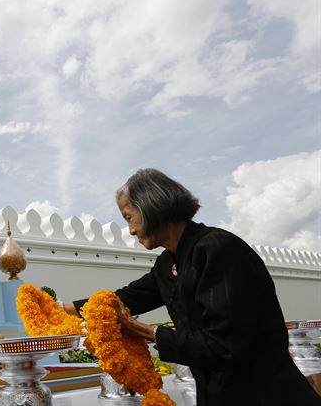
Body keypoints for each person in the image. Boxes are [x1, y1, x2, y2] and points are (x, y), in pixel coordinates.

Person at [62, 168, 321, 406]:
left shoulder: (218, 249)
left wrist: (147, 331)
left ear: (152, 207)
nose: (130, 230)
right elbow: (125, 298)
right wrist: (61, 309)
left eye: (129, 217)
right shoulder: (169, 263)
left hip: (266, 394)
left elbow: (226, 347)